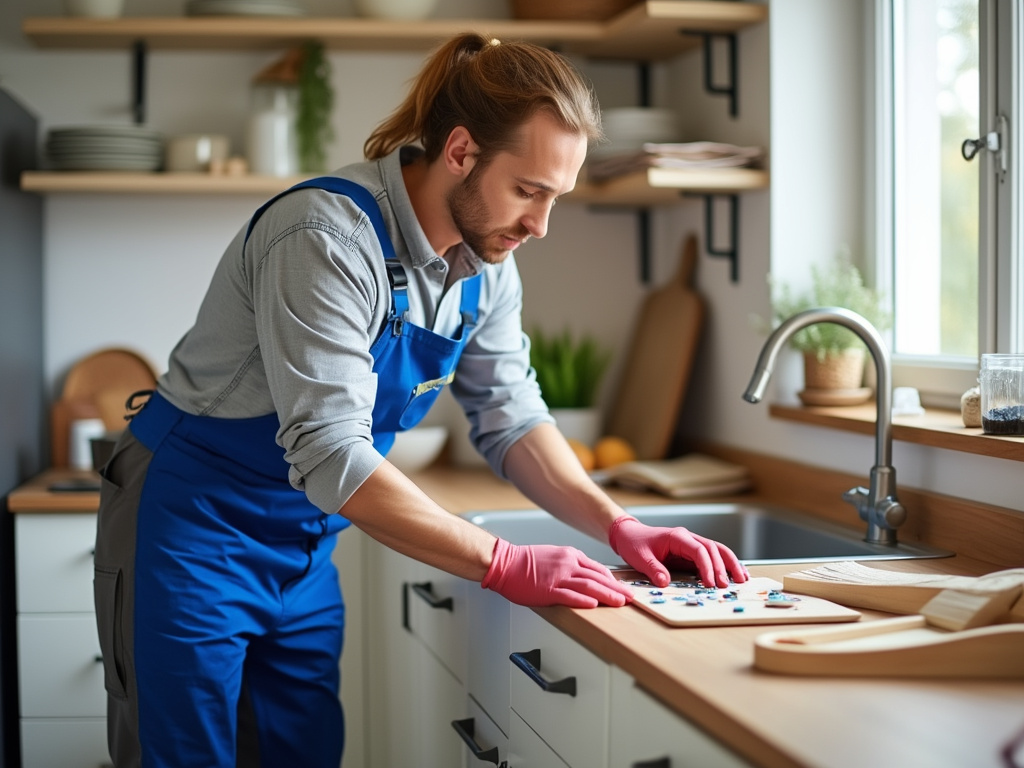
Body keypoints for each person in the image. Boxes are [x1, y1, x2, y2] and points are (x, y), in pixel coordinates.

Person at [93, 32, 749, 768]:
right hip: (191, 527)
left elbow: (512, 416)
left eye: (554, 197)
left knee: (299, 751)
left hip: (305, 541)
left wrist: (617, 524)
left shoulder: (489, 263)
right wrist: (503, 561)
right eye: (528, 190)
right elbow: (334, 453)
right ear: (461, 152)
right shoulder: (325, 237)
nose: (540, 225)